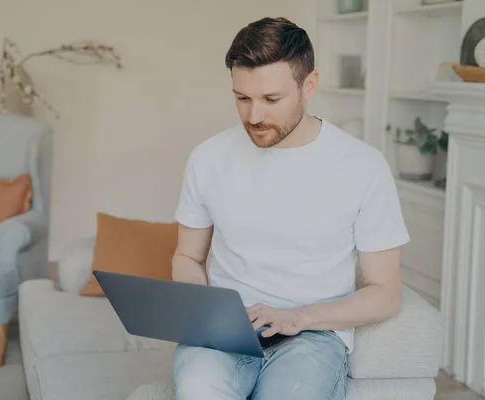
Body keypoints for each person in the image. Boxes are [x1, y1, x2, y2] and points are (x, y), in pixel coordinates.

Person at [171, 16, 410, 400]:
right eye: (242, 98)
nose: (254, 117)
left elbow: (386, 292)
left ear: (309, 85)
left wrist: (299, 317)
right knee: (199, 389)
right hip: (226, 332)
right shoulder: (208, 158)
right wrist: (203, 314)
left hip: (313, 336)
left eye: (271, 100)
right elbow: (187, 255)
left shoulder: (363, 166)